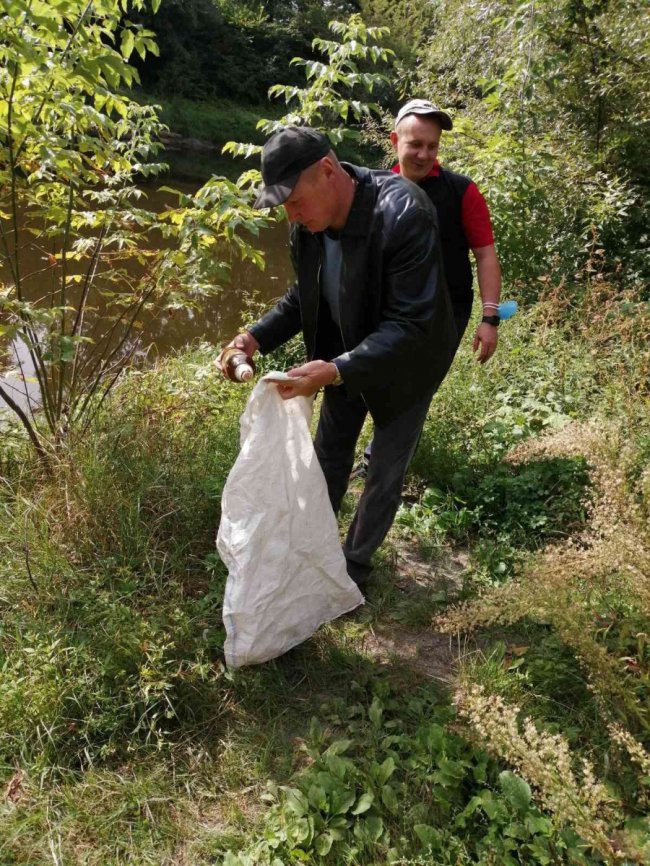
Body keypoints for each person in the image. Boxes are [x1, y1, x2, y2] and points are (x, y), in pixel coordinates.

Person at [219, 125, 457, 588]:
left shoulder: (405, 213)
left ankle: (354, 567)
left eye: (293, 200)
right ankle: (315, 550)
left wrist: (336, 368)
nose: (291, 214)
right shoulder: (308, 228)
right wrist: (254, 337)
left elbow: (411, 324)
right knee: (327, 453)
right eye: (284, 205)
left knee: (384, 472)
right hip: (343, 359)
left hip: (409, 364)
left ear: (327, 171)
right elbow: (303, 297)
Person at [355, 98, 502, 478]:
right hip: (387, 310)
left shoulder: (461, 192)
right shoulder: (373, 190)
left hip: (444, 313)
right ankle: (377, 456)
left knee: (416, 390)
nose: (423, 154)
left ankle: (381, 468)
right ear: (394, 140)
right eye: (415, 144)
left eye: (432, 146)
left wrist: (490, 318)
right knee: (380, 381)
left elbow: (486, 256)